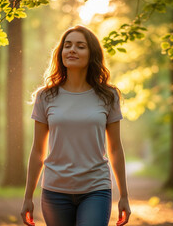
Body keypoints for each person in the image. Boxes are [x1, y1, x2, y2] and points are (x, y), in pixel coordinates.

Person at [20, 25, 131, 226]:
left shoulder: (108, 96)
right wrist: (28, 197)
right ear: (60, 52)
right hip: (55, 191)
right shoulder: (45, 96)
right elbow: (37, 150)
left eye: (80, 46)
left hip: (96, 189)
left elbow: (115, 148)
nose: (72, 50)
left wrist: (124, 195)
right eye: (67, 45)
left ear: (92, 54)